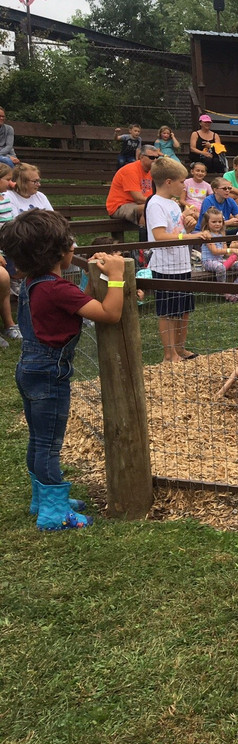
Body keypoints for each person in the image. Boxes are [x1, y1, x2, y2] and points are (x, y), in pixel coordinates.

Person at [0, 208, 127, 531]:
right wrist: (115, 275)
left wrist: (89, 276)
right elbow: (109, 313)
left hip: (29, 368)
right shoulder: (56, 289)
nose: (75, 247)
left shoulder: (35, 283)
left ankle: (43, 499)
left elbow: (77, 303)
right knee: (48, 444)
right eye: (70, 243)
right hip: (49, 375)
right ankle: (54, 513)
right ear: (58, 251)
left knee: (38, 440)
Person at [145, 156, 209, 362]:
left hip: (182, 263)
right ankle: (169, 353)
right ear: (169, 182)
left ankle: (180, 349)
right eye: (182, 182)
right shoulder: (155, 204)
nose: (185, 186)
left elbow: (176, 231)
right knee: (168, 312)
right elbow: (160, 236)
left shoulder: (172, 204)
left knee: (184, 310)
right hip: (165, 266)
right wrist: (191, 235)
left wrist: (188, 227)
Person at [200, 207, 238, 303]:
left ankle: (234, 288)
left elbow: (225, 251)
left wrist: (233, 255)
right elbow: (214, 251)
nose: (217, 224)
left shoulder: (222, 234)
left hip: (221, 261)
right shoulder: (207, 234)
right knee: (221, 267)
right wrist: (231, 250)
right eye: (214, 222)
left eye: (220, 221)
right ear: (207, 222)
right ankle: (224, 291)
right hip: (208, 261)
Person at [106, 144, 161, 232]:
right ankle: (144, 244)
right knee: (148, 208)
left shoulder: (152, 172)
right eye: (151, 158)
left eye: (156, 158)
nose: (155, 160)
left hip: (138, 204)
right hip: (120, 206)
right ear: (142, 157)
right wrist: (159, 201)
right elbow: (138, 198)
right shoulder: (130, 170)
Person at [0, 164, 19, 346]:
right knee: (2, 278)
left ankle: (9, 324)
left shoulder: (5, 199)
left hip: (7, 250)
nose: (12, 183)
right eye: (8, 179)